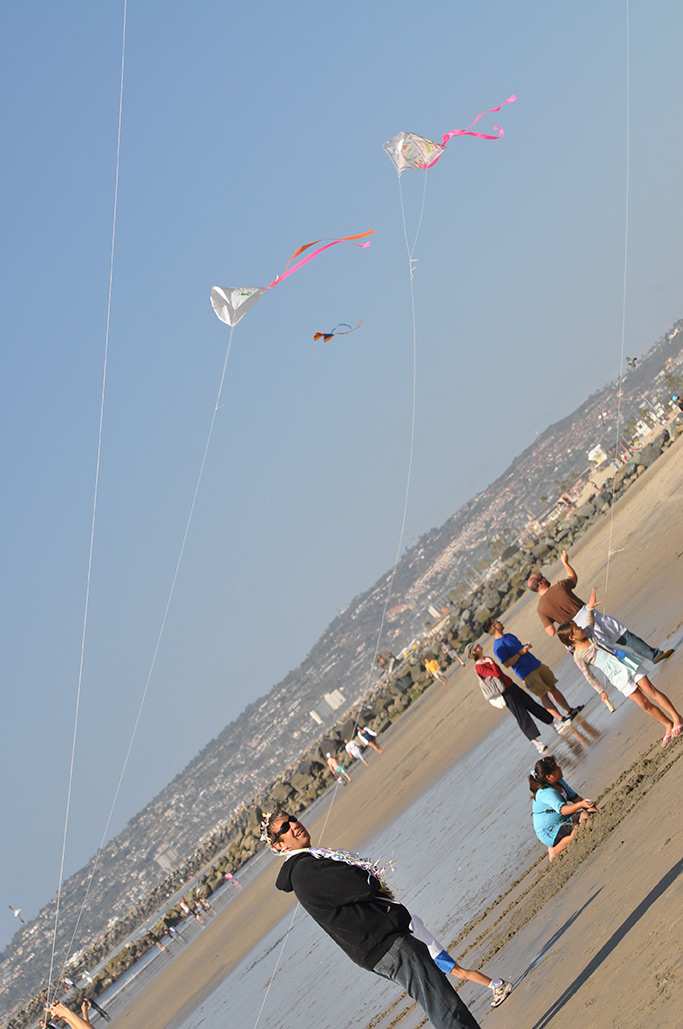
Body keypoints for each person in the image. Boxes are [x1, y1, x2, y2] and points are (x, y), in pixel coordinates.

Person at [264, 810, 505, 1025]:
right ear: (279, 846)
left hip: (384, 945)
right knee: (443, 1005)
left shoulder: (310, 862)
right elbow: (361, 884)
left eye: (292, 819)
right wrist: (363, 873)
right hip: (386, 945)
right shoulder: (305, 870)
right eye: (284, 828)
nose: (294, 825)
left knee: (441, 999)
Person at [558, 597, 683, 746]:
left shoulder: (589, 632)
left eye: (578, 625)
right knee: (643, 704)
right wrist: (601, 691)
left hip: (626, 662)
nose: (580, 627)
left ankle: (677, 718)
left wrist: (590, 608)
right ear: (572, 637)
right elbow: (588, 675)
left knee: (651, 691)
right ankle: (667, 725)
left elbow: (590, 621)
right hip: (615, 676)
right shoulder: (578, 656)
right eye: (576, 628)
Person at [527, 550, 673, 664]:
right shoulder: (559, 586)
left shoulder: (541, 609)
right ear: (540, 583)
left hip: (576, 630)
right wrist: (565, 563)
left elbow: (551, 632)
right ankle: (653, 655)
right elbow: (573, 578)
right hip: (588, 614)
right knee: (622, 635)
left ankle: (633, 671)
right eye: (543, 578)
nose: (546, 578)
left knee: (608, 650)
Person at [488, 620, 580, 724]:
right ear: (494, 627)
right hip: (526, 673)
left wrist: (525, 647)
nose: (501, 622)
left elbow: (519, 649)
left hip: (536, 664)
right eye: (497, 622)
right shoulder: (498, 646)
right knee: (543, 695)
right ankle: (561, 719)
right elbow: (507, 664)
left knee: (553, 688)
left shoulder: (509, 635)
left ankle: (570, 710)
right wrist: (520, 653)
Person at [468, 643, 553, 754]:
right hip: (504, 692)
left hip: (511, 685)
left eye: (478, 645)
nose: (479, 646)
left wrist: (489, 661)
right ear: (474, 652)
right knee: (521, 715)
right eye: (476, 647)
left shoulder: (487, 659)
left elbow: (500, 673)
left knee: (531, 704)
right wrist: (490, 663)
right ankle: (537, 743)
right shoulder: (479, 667)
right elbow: (496, 674)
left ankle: (553, 723)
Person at [529, 757, 597, 861]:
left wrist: (587, 805)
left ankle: (568, 833)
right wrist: (580, 805)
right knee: (578, 830)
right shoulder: (546, 792)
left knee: (589, 814)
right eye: (556, 768)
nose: (559, 768)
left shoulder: (559, 781)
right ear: (548, 776)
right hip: (550, 830)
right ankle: (555, 850)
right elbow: (563, 810)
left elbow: (574, 797)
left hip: (563, 819)